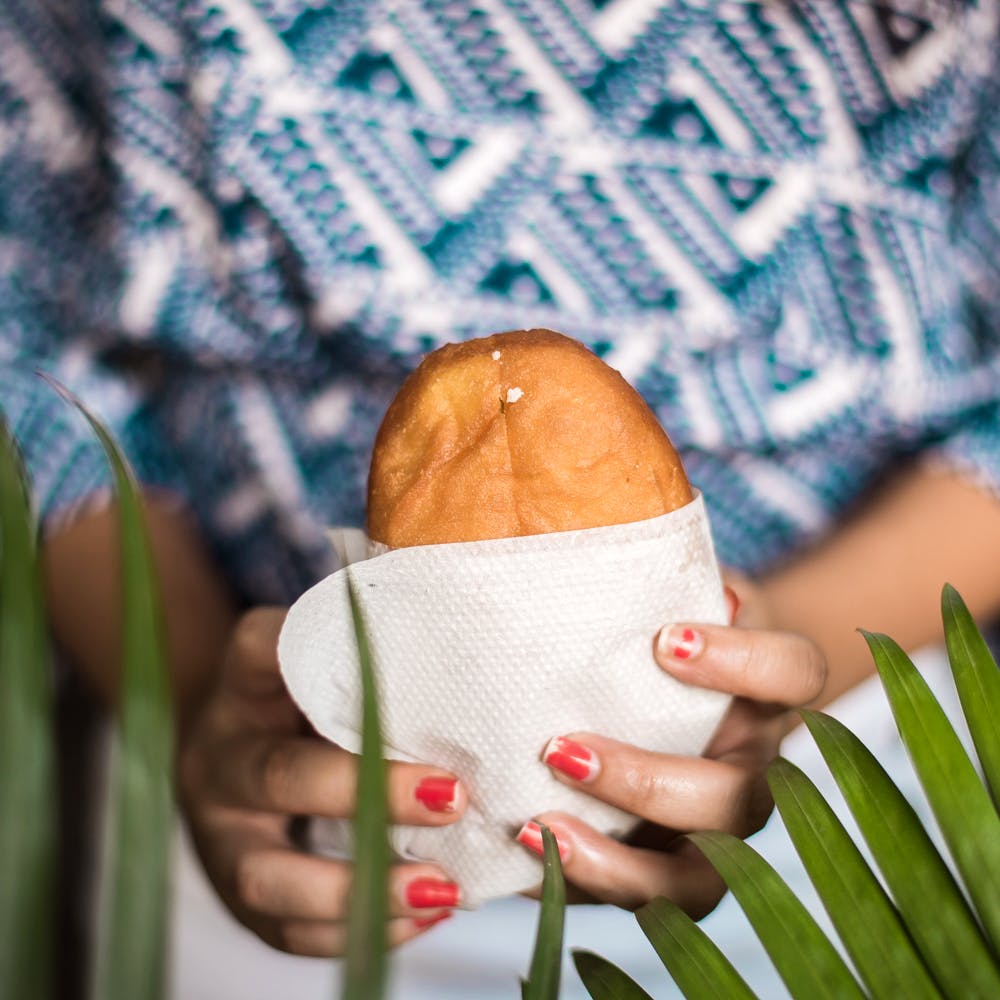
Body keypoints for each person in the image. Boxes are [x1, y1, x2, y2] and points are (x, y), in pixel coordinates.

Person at [3, 0, 1000, 991]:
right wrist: (193, 712)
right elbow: (24, 339)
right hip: (273, 782)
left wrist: (784, 654)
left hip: (839, 773)